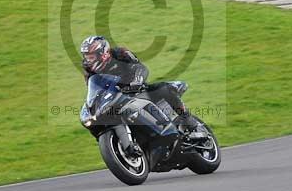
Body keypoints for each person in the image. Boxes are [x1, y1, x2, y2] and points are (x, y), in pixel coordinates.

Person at [79, 36, 207, 144]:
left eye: (91, 56)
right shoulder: (89, 70)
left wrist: (136, 81)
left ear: (104, 53)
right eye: (86, 56)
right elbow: (94, 88)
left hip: (136, 88)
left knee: (164, 90)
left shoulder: (120, 53)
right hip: (116, 96)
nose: (88, 60)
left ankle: (191, 123)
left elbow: (140, 67)